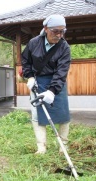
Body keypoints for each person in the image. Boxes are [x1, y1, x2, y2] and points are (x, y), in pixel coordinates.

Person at [21, 15, 71, 154]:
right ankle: (41, 147)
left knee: (63, 114)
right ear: (46, 29)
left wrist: (52, 91)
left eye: (62, 31)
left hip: (57, 83)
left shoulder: (64, 47)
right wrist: (30, 77)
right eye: (56, 31)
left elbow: (62, 71)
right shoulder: (33, 43)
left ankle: (63, 146)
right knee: (38, 115)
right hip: (38, 82)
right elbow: (26, 61)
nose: (59, 35)